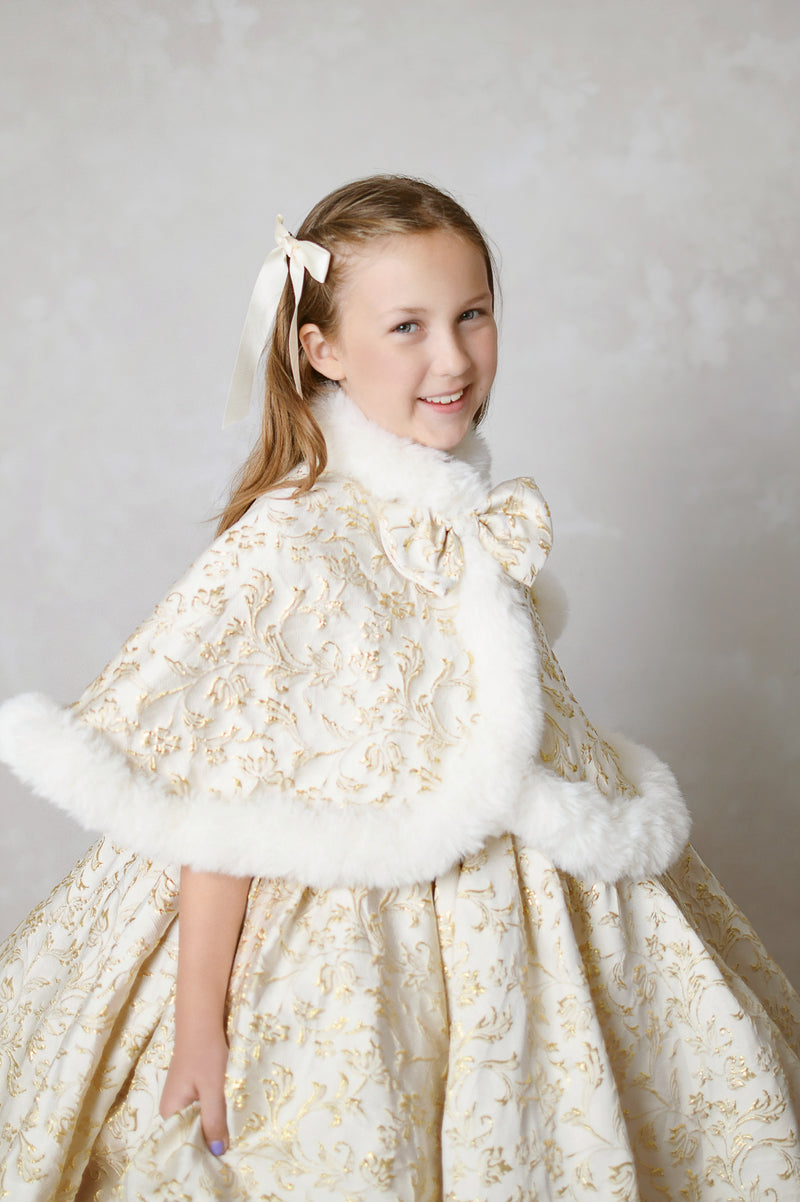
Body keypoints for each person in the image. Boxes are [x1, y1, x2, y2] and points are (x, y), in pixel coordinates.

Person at [0, 175, 797, 1201]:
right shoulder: (293, 537)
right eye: (408, 326)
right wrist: (200, 1019)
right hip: (343, 936)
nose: (453, 358)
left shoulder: (458, 515)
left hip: (519, 909)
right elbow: (217, 799)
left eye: (471, 314)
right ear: (322, 348)